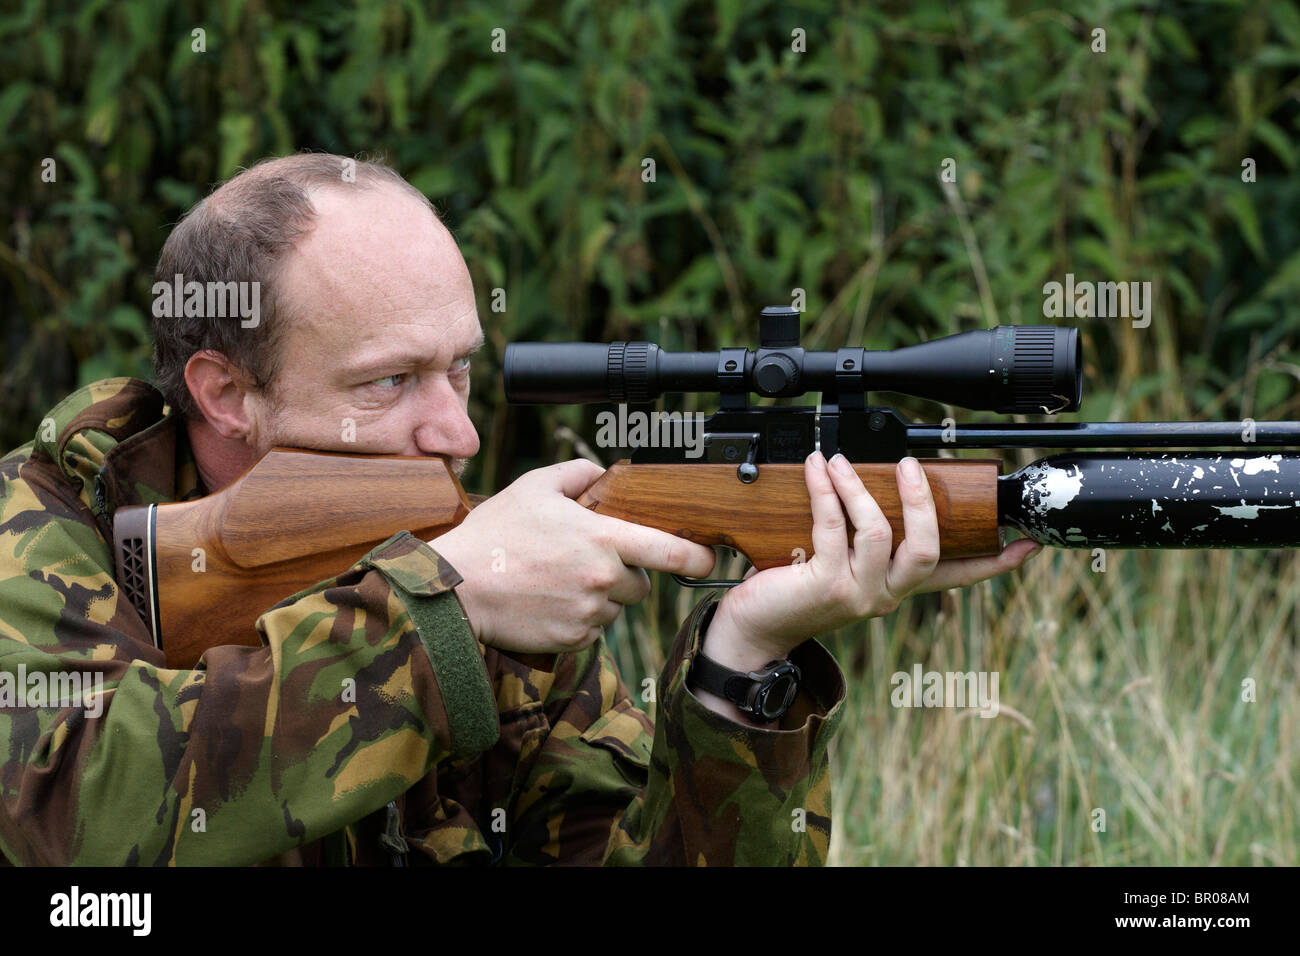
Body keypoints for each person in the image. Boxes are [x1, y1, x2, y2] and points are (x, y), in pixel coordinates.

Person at [0, 154, 1041, 866]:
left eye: (458, 370)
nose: (453, 432)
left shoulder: (462, 566)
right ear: (226, 391)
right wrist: (442, 612)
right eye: (389, 381)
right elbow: (78, 821)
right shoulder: (38, 535)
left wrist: (741, 664)